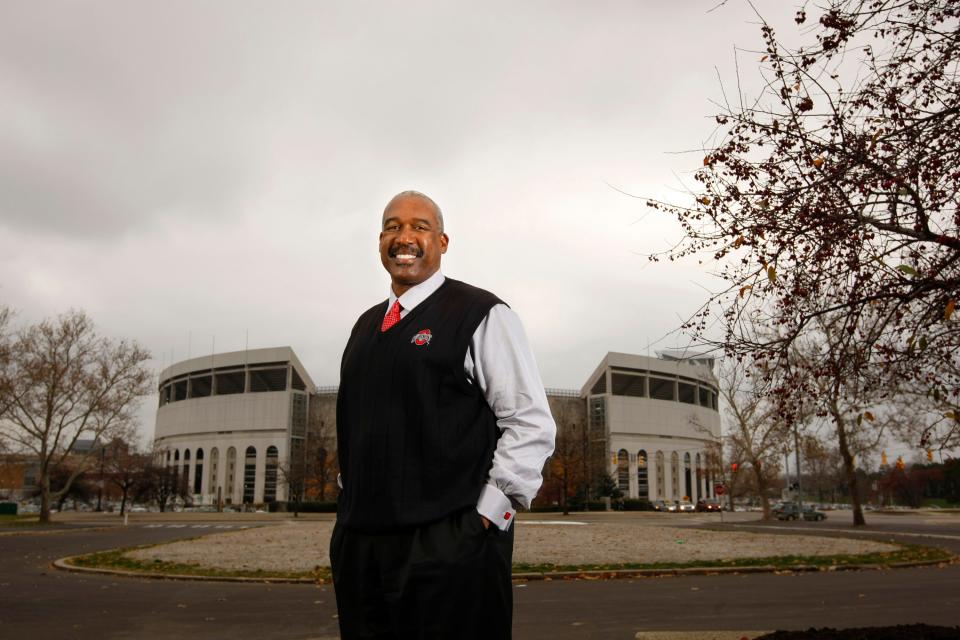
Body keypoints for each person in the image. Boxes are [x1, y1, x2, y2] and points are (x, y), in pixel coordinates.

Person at [331, 190, 556, 639]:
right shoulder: (364, 327)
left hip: (451, 546)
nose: (404, 237)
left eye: (420, 226)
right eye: (393, 227)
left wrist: (485, 519)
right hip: (363, 549)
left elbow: (529, 422)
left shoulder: (481, 313)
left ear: (443, 242)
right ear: (380, 241)